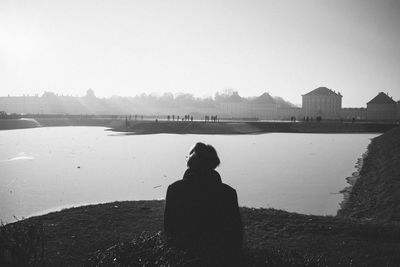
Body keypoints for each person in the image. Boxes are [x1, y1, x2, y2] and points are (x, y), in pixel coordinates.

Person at [164, 143, 243, 261]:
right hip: (219, 256)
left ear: (190, 163)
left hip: (183, 256)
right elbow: (236, 231)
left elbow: (169, 228)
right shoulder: (228, 193)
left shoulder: (175, 189)